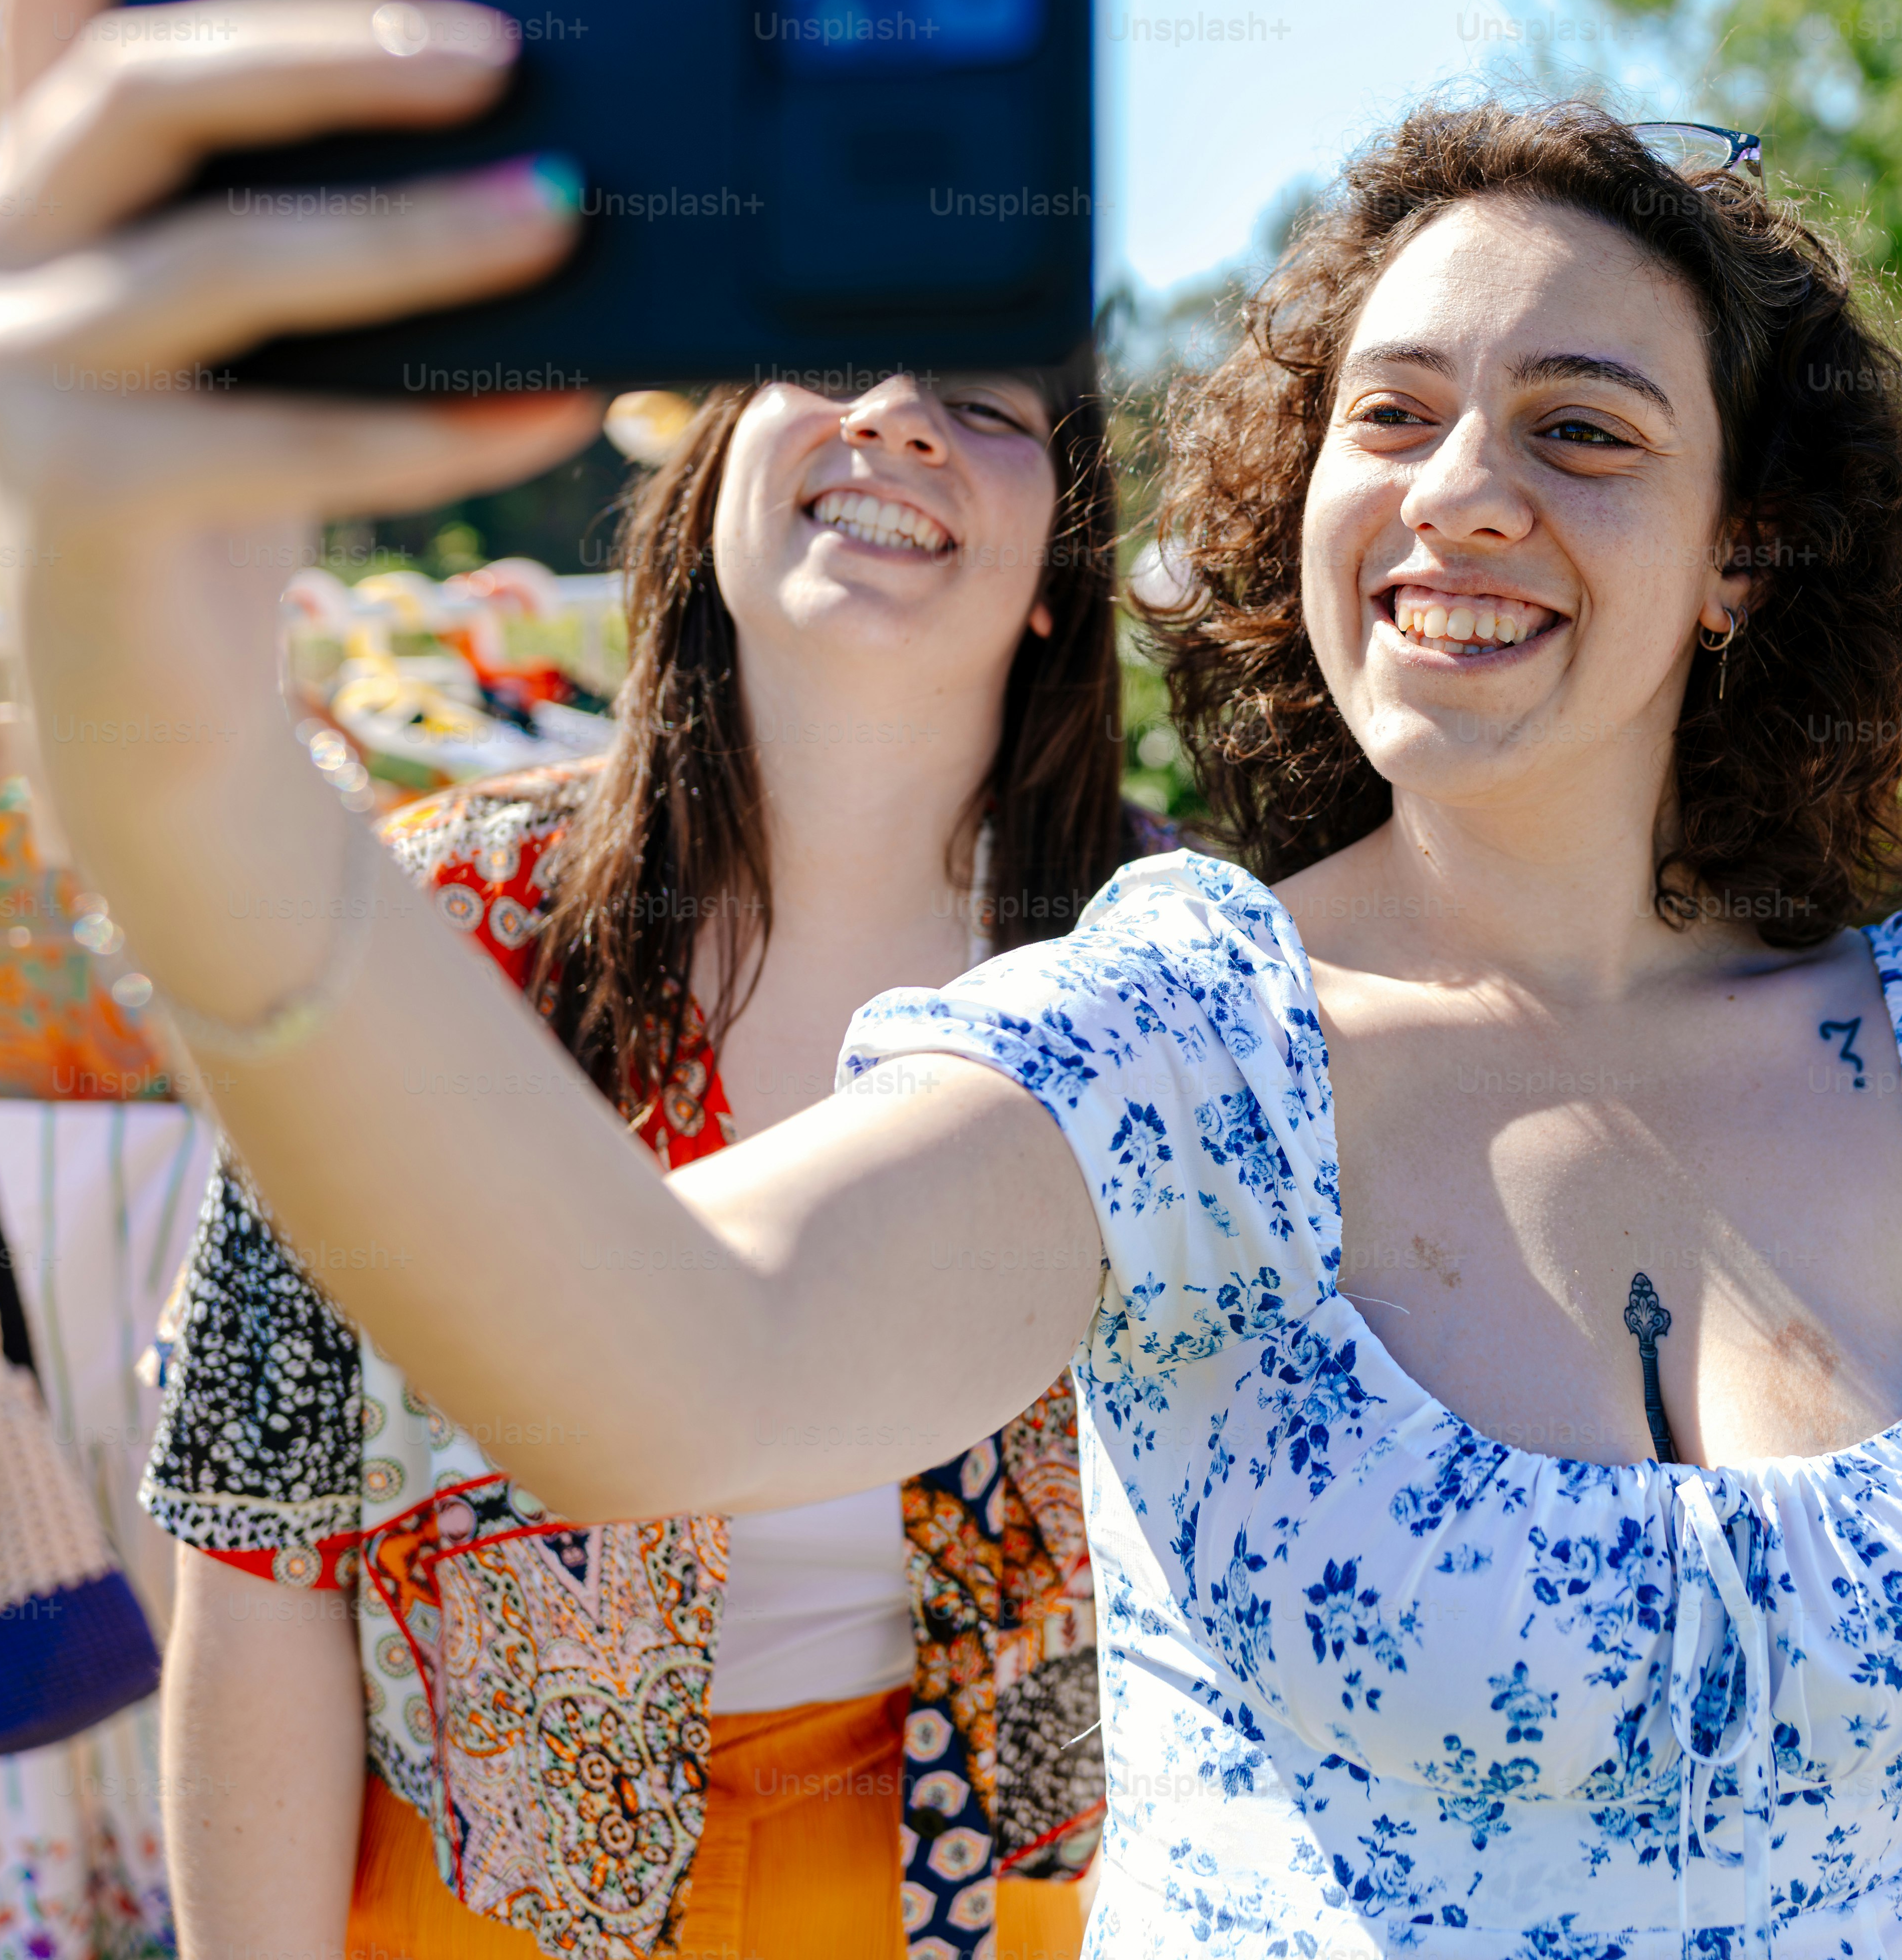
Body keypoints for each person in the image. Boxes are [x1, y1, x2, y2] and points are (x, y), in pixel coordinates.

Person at [0, 0, 1902, 1956]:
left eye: (1585, 425)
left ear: (1746, 554)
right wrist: (180, 735)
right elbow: (662, 1371)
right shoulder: (1188, 1030)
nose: (1464, 486)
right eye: (1392, 411)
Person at [139, 369, 1150, 1960]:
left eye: (983, 401)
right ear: (713, 481)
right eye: (829, 365)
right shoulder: (420, 926)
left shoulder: (1170, 969)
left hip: (988, 1900)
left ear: (1059, 576)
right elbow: (258, 1537)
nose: (894, 418)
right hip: (479, 1894)